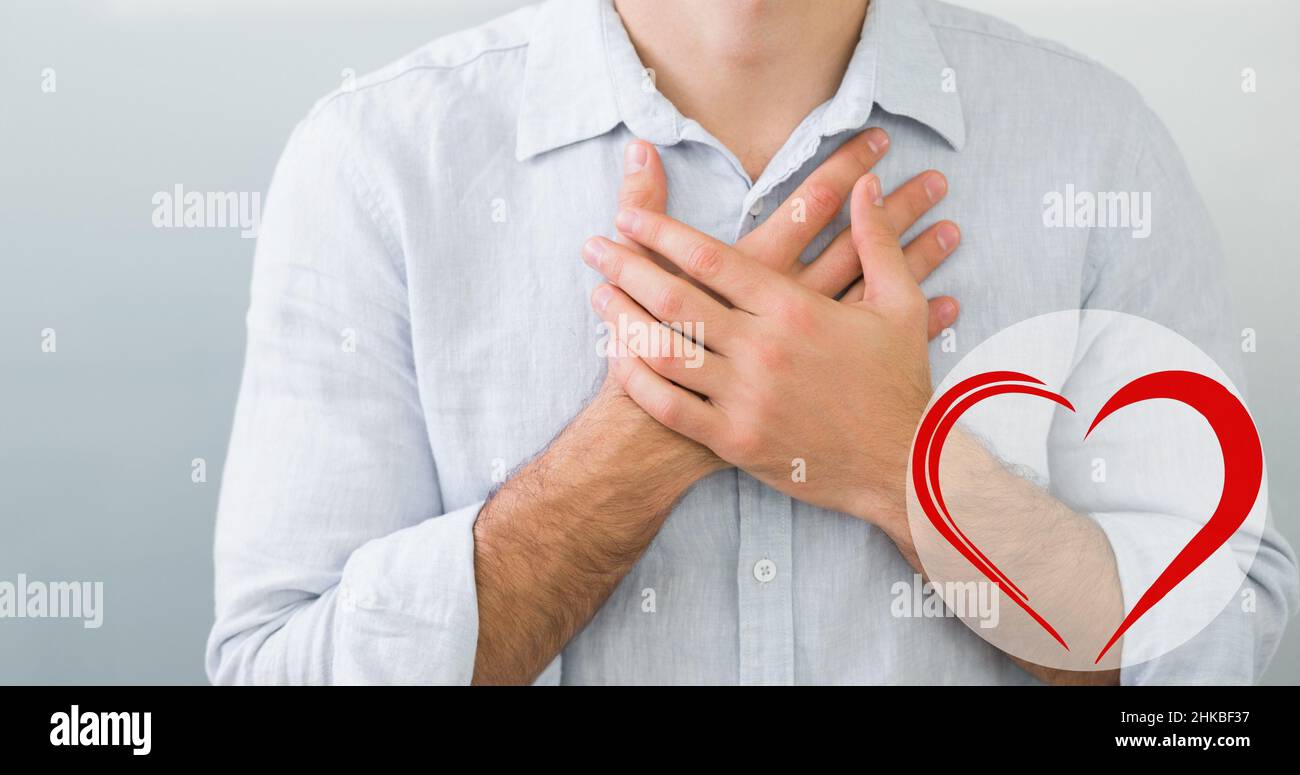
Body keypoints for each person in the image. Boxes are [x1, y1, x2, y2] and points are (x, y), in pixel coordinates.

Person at [206, 0, 1297, 685]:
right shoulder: (377, 164)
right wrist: (644, 439)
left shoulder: (1096, 145)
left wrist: (899, 465)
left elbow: (1216, 685)